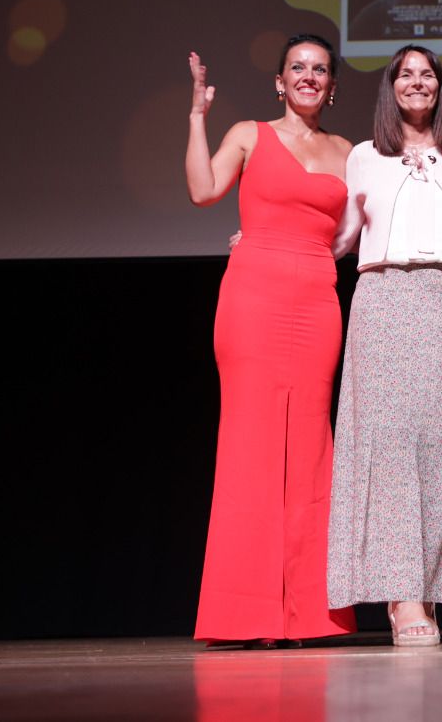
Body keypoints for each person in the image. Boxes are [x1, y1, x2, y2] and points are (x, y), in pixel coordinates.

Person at [327, 45, 442, 646]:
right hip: (383, 300)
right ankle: (404, 599)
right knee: (390, 452)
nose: (416, 82)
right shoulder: (362, 157)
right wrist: (276, 241)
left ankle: (436, 590)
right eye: (405, 74)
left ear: (440, 88)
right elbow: (343, 239)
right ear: (390, 87)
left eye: (427, 74)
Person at [184, 34, 356, 646]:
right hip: (253, 299)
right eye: (297, 68)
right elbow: (204, 191)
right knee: (250, 449)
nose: (308, 77)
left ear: (332, 86)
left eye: (319, 70)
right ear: (280, 81)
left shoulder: (348, 151)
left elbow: (354, 231)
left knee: (311, 452)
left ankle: (309, 615)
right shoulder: (249, 134)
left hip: (316, 300)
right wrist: (198, 119)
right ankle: (243, 614)